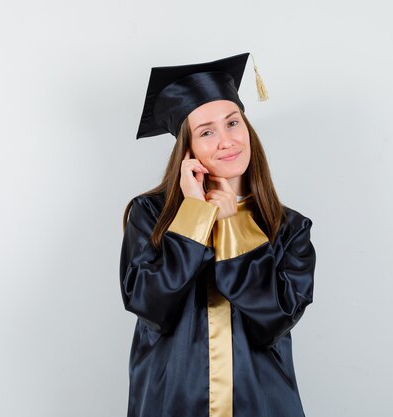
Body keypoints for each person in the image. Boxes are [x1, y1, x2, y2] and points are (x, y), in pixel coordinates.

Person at [119, 52, 316, 417]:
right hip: (172, 404)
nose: (227, 140)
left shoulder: (288, 227)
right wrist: (196, 216)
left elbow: (272, 321)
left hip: (260, 405)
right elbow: (151, 306)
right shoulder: (149, 215)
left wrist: (232, 225)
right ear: (187, 150)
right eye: (206, 131)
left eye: (232, 123)